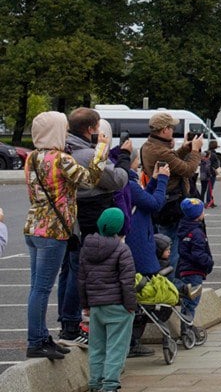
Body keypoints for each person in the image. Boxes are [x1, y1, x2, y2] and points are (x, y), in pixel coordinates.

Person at [23, 111, 105, 360]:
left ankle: (40, 336)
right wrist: (101, 148)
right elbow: (90, 179)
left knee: (37, 287)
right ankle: (36, 341)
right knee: (42, 289)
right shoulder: (60, 159)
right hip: (53, 231)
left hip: (34, 227)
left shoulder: (32, 158)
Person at [60, 106, 130, 347]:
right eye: (98, 127)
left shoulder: (63, 148)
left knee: (68, 270)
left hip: (71, 218)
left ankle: (66, 322)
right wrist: (122, 159)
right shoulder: (87, 154)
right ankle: (70, 324)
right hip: (89, 216)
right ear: (91, 129)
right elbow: (116, 179)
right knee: (79, 270)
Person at [78, 208, 136, 392]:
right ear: (119, 227)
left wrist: (86, 305)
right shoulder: (122, 249)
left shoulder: (87, 247)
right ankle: (110, 384)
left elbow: (81, 279)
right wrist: (130, 306)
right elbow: (127, 281)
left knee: (97, 347)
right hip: (118, 305)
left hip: (96, 306)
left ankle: (95, 383)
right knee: (116, 348)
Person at [139, 111, 202, 274]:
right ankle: (171, 286)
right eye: (172, 128)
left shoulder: (149, 146)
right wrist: (195, 151)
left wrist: (184, 149)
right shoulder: (161, 151)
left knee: (166, 243)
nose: (173, 131)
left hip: (163, 202)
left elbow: (173, 161)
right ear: (164, 130)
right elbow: (187, 170)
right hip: (171, 204)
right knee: (171, 247)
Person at [124, 149, 168, 359]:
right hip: (138, 246)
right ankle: (133, 341)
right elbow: (155, 204)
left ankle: (134, 340)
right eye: (136, 161)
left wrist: (154, 180)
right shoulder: (129, 184)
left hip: (139, 242)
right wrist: (163, 181)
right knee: (142, 293)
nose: (138, 164)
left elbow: (144, 201)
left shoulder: (130, 183)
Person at [175, 198, 212, 338]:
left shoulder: (184, 227)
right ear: (198, 214)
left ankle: (186, 326)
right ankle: (187, 328)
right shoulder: (196, 232)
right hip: (194, 271)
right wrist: (209, 262)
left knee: (187, 301)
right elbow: (198, 254)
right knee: (192, 301)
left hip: (185, 269)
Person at [199, 140, 220, 208]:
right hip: (210, 174)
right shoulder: (213, 154)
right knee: (210, 188)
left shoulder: (205, 153)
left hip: (203, 174)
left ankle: (201, 202)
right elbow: (215, 164)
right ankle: (209, 201)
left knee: (203, 189)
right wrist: (215, 169)